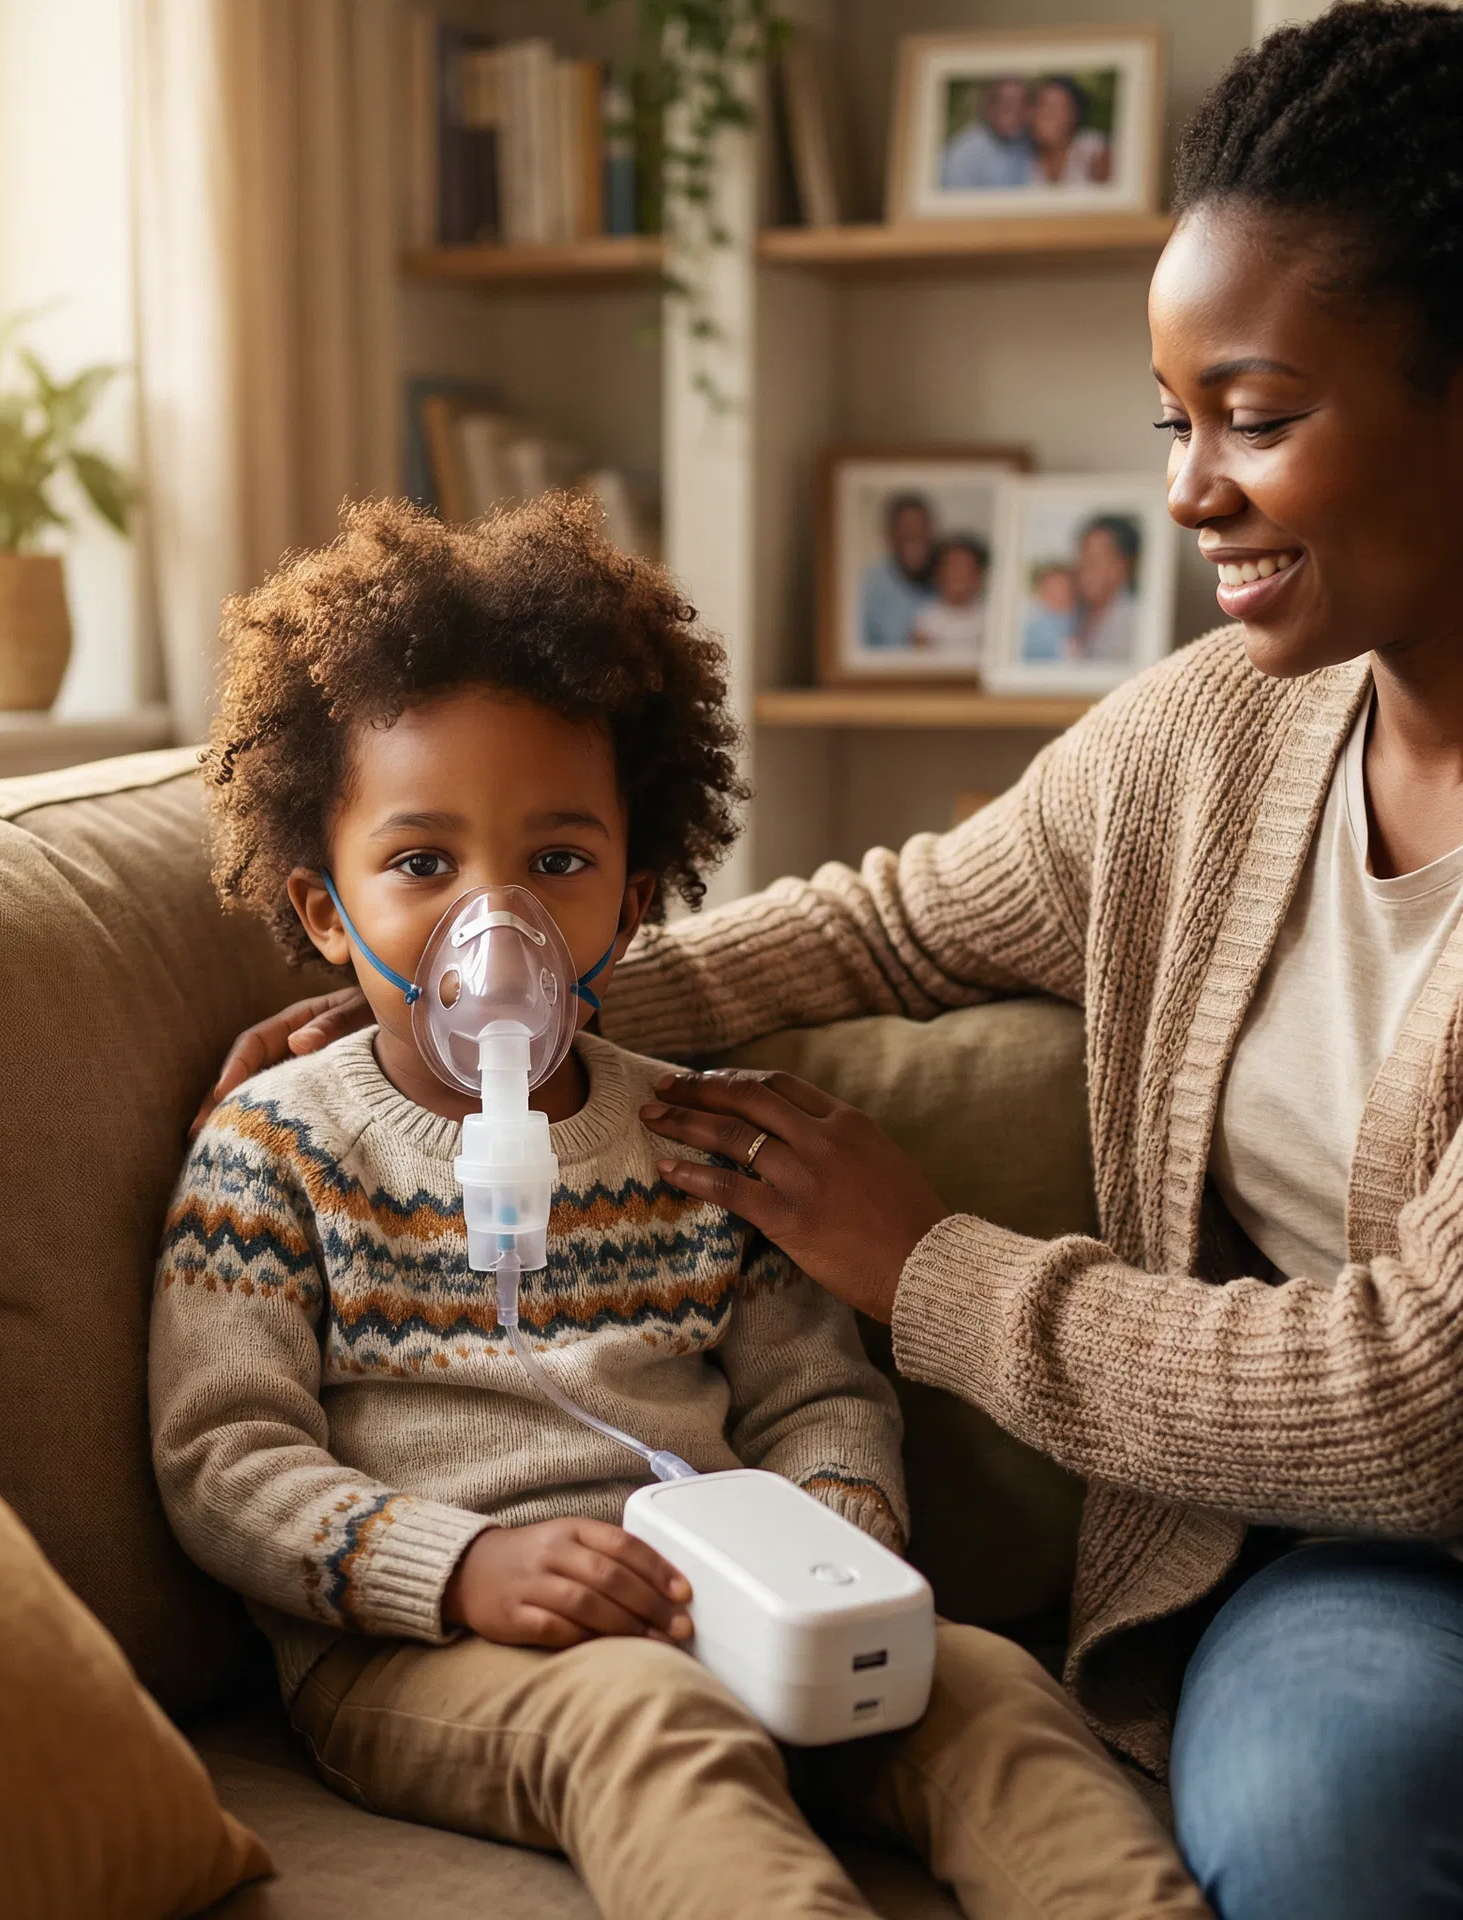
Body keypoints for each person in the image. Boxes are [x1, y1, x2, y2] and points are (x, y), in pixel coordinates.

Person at [195, 10, 1463, 1916]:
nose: (1191, 492)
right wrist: (534, 1004)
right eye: (1173, 424)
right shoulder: (1208, 745)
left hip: (1405, 1479)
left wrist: (932, 1279)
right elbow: (892, 922)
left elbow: (1421, 1400)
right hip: (1338, 1573)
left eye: (1259, 419)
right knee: (1319, 1815)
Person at [156, 495, 1209, 1920]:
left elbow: (817, 1392)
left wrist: (832, 1535)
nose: (496, 920)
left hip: (738, 1599)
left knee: (985, 1688)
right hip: (424, 1650)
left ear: (633, 902)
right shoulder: (275, 1148)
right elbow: (224, 1455)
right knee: (656, 1723)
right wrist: (456, 1567)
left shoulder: (688, 1132)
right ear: (328, 911)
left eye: (558, 862)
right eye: (422, 865)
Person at [858, 491, 936, 653]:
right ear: (889, 535)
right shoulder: (870, 587)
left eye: (920, 527)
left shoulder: (948, 576)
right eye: (904, 529)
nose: (914, 534)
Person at [1066, 515, 1139, 663]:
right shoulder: (1071, 613)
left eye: (1096, 558)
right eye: (1082, 556)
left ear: (1122, 565)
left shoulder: (1134, 622)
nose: (1084, 566)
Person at [939, 77, 1034, 191]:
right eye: (1008, 105)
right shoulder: (963, 154)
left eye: (1021, 104)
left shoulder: (1024, 143)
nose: (1016, 112)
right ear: (991, 108)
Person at [908, 534, 990, 660]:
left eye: (965, 569)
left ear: (978, 577)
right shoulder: (926, 619)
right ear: (938, 575)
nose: (958, 576)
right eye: (952, 568)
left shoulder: (990, 618)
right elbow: (918, 664)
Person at [1029, 76, 1112, 187]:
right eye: (1042, 105)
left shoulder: (1092, 150)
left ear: (1074, 116)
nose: (1048, 115)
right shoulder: (1025, 158)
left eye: (1058, 108)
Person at [1020, 562, 1078, 662]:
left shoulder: (1078, 619)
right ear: (1042, 593)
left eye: (1063, 587)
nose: (1059, 593)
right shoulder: (1035, 629)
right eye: (1053, 588)